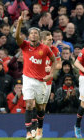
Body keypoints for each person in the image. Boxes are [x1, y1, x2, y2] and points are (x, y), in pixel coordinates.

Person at [15, 12, 55, 140]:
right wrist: (20, 22)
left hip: (41, 81)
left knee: (40, 108)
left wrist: (51, 74)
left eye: (36, 33)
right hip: (27, 79)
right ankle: (28, 132)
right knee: (29, 104)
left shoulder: (45, 48)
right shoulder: (25, 45)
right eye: (31, 33)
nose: (33, 35)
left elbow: (54, 60)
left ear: (38, 36)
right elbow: (16, 37)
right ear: (29, 35)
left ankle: (39, 128)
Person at [30, 30, 61, 138]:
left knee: (41, 107)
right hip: (35, 80)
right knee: (33, 104)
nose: (51, 41)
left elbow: (59, 65)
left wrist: (50, 67)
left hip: (47, 82)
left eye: (52, 39)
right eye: (49, 40)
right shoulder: (36, 49)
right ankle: (33, 129)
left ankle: (39, 128)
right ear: (42, 40)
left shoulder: (54, 50)